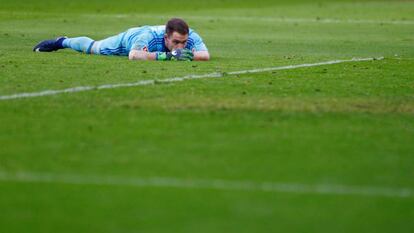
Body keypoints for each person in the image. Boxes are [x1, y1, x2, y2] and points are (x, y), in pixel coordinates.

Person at [33, 18, 210, 61]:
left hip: (144, 46)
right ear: (166, 37)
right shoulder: (147, 37)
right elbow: (133, 55)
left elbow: (205, 55)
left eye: (183, 42)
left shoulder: (190, 36)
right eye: (176, 42)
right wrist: (169, 56)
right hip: (127, 41)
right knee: (94, 47)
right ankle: (62, 41)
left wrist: (183, 52)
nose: (181, 45)